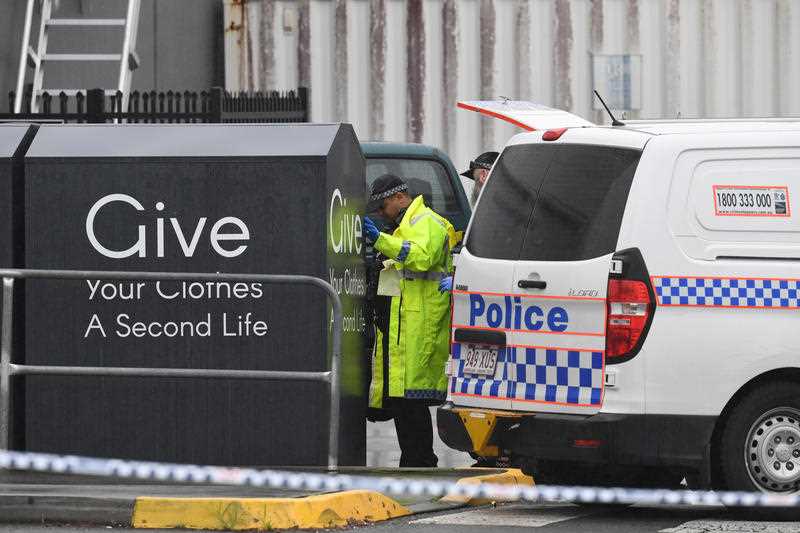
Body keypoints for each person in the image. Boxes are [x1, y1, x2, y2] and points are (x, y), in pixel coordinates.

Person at [363, 174, 459, 467]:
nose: (381, 213)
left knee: (412, 401)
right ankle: (411, 461)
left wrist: (381, 240)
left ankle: (421, 462)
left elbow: (420, 257)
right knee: (402, 400)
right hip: (403, 322)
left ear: (398, 198)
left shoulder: (425, 222)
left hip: (420, 322)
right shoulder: (405, 226)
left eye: (382, 207)